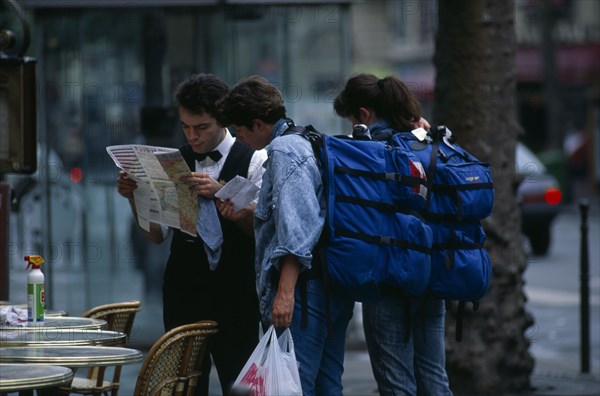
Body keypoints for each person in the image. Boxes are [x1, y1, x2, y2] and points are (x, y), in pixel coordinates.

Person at [116, 73, 267, 395]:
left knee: (238, 381)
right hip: (184, 289)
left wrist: (223, 194)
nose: (193, 136)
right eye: (186, 127)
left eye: (201, 127)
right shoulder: (172, 163)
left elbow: (263, 232)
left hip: (235, 291)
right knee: (184, 383)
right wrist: (134, 198)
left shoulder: (254, 158)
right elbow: (156, 236)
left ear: (222, 120)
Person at [216, 75, 355, 396]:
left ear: (257, 123)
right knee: (327, 384)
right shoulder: (308, 139)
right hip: (332, 284)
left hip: (306, 293)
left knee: (295, 385)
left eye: (239, 130)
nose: (239, 138)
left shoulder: (283, 151)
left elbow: (296, 230)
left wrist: (285, 293)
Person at [333, 72, 453, 396]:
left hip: (388, 277)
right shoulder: (425, 142)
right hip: (431, 272)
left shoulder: (369, 149)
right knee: (434, 376)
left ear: (364, 115)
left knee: (396, 382)